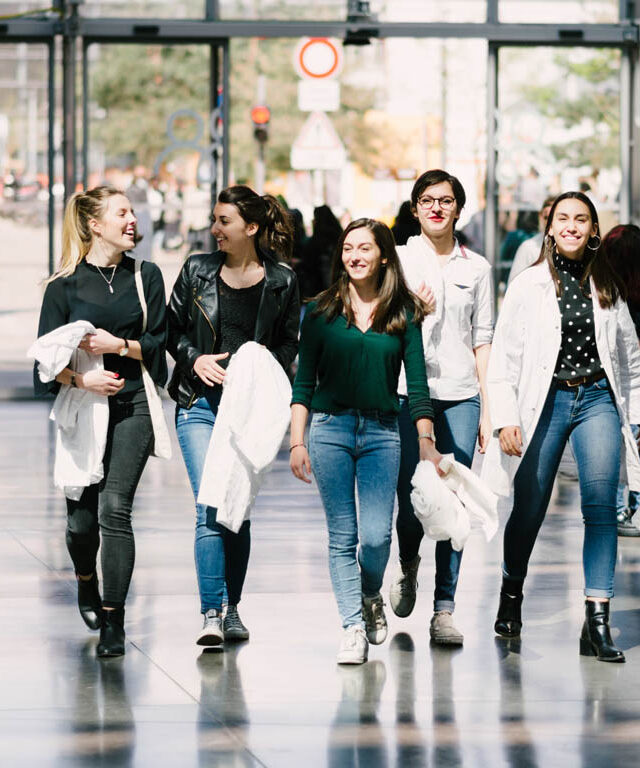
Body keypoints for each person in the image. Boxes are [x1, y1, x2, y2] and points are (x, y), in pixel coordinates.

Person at [482, 191, 640, 663]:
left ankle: (597, 620)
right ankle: (512, 593)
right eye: (563, 219)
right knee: (530, 507)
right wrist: (506, 417)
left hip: (597, 400)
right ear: (550, 227)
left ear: (593, 230)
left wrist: (633, 414)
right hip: (545, 401)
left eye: (581, 220)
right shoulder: (529, 285)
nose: (571, 226)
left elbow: (630, 358)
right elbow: (503, 359)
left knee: (599, 508)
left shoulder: (606, 283)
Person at [289, 218, 441, 665]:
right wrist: (297, 441)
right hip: (330, 430)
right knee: (342, 535)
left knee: (375, 537)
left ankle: (371, 591)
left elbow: (417, 387)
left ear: (383, 256)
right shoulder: (320, 312)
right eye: (348, 248)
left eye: (365, 249)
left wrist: (426, 441)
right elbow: (303, 384)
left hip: (381, 433)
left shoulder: (404, 313)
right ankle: (352, 626)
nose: (355, 256)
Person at [34, 185, 169, 657]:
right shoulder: (64, 286)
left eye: (133, 212)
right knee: (81, 525)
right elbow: (42, 369)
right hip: (82, 411)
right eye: (122, 214)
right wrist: (81, 381)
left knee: (116, 511)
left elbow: (158, 346)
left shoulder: (146, 276)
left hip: (133, 407)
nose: (133, 221)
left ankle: (114, 618)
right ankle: (85, 580)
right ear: (95, 225)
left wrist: (121, 348)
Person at [167, 184, 300, 648]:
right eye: (215, 219)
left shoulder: (281, 280)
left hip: (248, 412)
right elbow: (172, 330)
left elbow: (289, 344)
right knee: (210, 503)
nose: (215, 228)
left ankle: (233, 609)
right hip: (198, 405)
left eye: (224, 221)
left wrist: (258, 367)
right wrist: (193, 359)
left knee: (236, 508)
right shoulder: (197, 270)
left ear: (252, 227)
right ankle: (211, 611)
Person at [389, 169, 494, 646]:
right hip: (408, 393)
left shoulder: (479, 269)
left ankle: (445, 610)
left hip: (461, 395)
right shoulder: (397, 261)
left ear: (457, 209)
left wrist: (489, 410)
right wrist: (410, 311)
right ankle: (408, 563)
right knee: (414, 498)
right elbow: (374, 322)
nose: (436, 207)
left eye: (446, 200)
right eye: (427, 200)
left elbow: (483, 340)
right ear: (415, 209)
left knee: (455, 502)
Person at [601, 224, 640, 536]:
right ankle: (633, 508)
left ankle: (620, 509)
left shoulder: (608, 297)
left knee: (617, 456)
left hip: (618, 390)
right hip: (634, 388)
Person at [507, 195, 555, 285]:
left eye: (555, 217)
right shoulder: (529, 247)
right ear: (540, 216)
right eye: (546, 218)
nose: (550, 222)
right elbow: (514, 285)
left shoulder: (572, 246)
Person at [299, 204, 343, 299]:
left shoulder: (313, 243)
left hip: (317, 291)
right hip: (337, 288)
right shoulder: (340, 238)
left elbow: (308, 266)